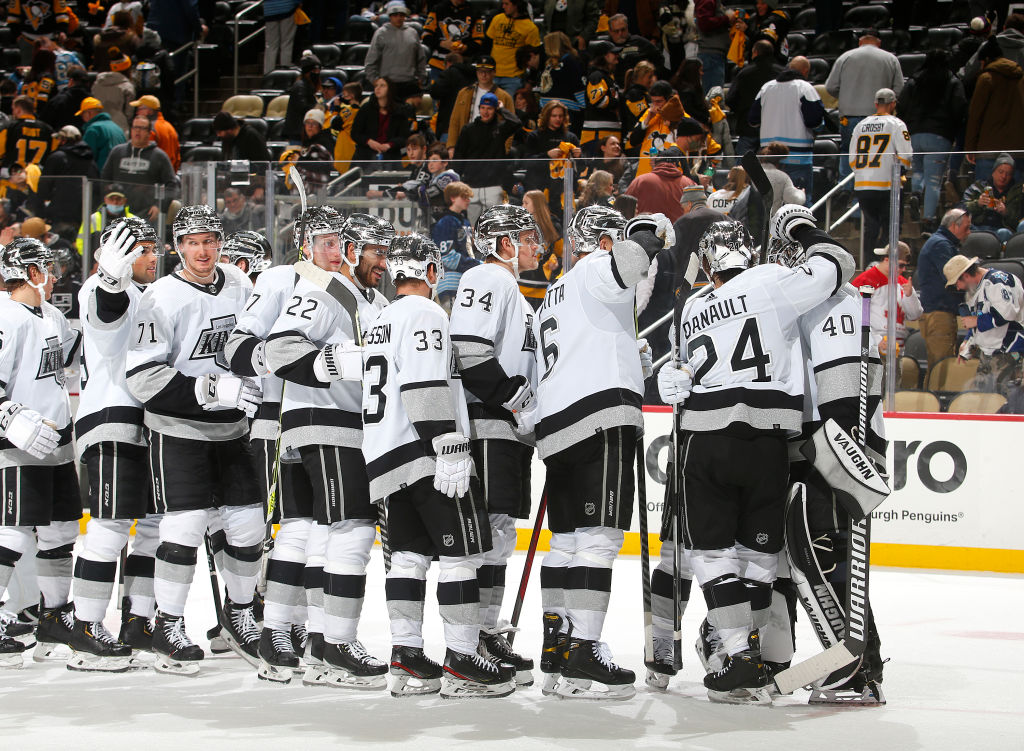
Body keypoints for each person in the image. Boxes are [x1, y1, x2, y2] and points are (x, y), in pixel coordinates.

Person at [657, 205, 855, 704]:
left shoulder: (694, 305)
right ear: (748, 253)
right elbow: (838, 263)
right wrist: (802, 227)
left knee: (713, 552)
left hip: (706, 436)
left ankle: (735, 655)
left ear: (707, 264)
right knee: (761, 554)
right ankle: (754, 655)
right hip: (769, 440)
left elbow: (680, 374)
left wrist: (673, 381)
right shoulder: (771, 279)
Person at [361, 233, 515, 699]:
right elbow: (424, 384)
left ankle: (406, 658)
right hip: (426, 451)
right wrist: (447, 444)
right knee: (461, 556)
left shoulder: (380, 318)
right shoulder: (427, 312)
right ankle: (463, 659)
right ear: (431, 272)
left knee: (407, 558)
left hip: (385, 454)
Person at [124, 205, 266, 675]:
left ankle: (240, 615)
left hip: (233, 429)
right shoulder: (159, 297)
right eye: (191, 242)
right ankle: (168, 623)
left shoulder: (242, 285)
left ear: (220, 242)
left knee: (248, 529)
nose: (202, 251)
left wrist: (255, 374)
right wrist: (207, 389)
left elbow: (248, 346)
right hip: (178, 430)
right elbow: (143, 377)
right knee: (182, 530)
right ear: (177, 247)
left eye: (209, 240)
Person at [263, 212, 394, 687]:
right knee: (352, 531)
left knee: (315, 534)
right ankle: (334, 642)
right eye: (376, 252)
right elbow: (278, 349)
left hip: (340, 424)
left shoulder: (374, 299)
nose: (384, 261)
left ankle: (305, 638)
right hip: (325, 422)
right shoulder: (323, 291)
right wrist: (332, 362)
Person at [532, 204, 656, 700]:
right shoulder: (592, 268)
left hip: (557, 426)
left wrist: (629, 350)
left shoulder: (552, 296)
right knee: (599, 539)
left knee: (564, 541)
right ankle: (585, 649)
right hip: (601, 415)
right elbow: (629, 263)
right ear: (603, 241)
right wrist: (649, 233)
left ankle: (557, 649)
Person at [449, 203, 542, 686]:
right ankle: (469, 642)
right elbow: (468, 350)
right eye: (524, 237)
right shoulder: (488, 278)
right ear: (503, 244)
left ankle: (485, 632)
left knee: (498, 537)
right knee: (481, 535)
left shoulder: (517, 293)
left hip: (507, 427)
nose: (533, 244)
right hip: (487, 421)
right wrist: (514, 399)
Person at [69, 217, 164, 670]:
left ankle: (137, 621)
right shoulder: (100, 288)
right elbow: (106, 312)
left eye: (150, 248)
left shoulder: (147, 294)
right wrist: (110, 275)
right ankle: (84, 625)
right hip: (112, 418)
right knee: (108, 528)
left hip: (148, 421)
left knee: (150, 531)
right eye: (138, 249)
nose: (149, 256)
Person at [0, 238, 82, 668]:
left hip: (56, 440)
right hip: (17, 445)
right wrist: (13, 419)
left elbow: (69, 357)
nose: (53, 274)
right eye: (46, 268)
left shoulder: (50, 314)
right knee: (13, 532)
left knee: (61, 531)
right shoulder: (4, 316)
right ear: (31, 273)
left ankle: (53, 617)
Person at [825, 29, 905, 185]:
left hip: (850, 116)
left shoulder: (845, 57)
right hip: (879, 116)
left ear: (860, 41)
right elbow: (899, 89)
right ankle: (869, 186)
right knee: (876, 155)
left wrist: (846, 96)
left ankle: (846, 187)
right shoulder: (891, 58)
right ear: (879, 42)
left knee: (849, 151)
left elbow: (830, 87)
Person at [901, 50, 967, 231]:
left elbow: (902, 105)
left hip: (914, 135)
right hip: (939, 135)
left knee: (918, 172)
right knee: (933, 180)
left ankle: (915, 193)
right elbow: (959, 108)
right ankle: (928, 220)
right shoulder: (952, 81)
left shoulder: (914, 81)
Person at [848, 88, 913, 267]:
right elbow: (906, 155)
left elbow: (852, 158)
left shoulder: (860, 125)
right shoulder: (897, 124)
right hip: (887, 184)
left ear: (876, 104)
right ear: (892, 104)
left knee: (871, 228)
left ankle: (869, 264)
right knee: (890, 228)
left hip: (863, 185)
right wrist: (902, 171)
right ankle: (884, 264)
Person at [749, 56, 825, 200]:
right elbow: (815, 121)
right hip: (798, 157)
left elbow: (752, 120)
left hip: (769, 156)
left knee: (770, 203)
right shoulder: (805, 88)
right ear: (805, 71)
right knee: (799, 200)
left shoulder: (766, 88)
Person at [945, 254, 1024, 391]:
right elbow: (976, 322)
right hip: (988, 353)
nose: (957, 288)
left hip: (1008, 351)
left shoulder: (998, 281)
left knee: (1005, 400)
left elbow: (1006, 314)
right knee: (983, 399)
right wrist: (968, 342)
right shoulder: (972, 290)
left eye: (956, 283)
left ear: (965, 275)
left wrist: (976, 321)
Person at [452, 92, 520, 221]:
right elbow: (459, 154)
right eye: (483, 108)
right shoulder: (468, 129)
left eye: (490, 108)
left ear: (495, 110)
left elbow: (516, 123)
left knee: (494, 225)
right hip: (472, 186)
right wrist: (459, 181)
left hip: (493, 186)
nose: (485, 111)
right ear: (479, 109)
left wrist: (502, 109)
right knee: (474, 227)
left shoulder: (500, 129)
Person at [917, 208, 972, 368]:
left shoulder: (941, 243)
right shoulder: (941, 245)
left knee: (938, 366)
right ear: (954, 226)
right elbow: (953, 278)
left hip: (939, 312)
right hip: (939, 314)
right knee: (941, 366)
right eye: (966, 228)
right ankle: (935, 393)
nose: (969, 232)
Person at [964, 39, 1024, 182]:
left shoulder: (986, 78)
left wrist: (970, 147)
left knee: (985, 196)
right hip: (1018, 148)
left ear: (986, 59)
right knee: (1015, 199)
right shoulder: (1020, 78)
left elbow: (975, 115)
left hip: (989, 149)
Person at [101, 115, 179, 223]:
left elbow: (171, 185)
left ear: (149, 132)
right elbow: (104, 180)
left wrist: (159, 206)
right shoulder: (117, 152)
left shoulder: (159, 156)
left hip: (146, 215)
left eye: (142, 128)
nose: (138, 131)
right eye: (135, 127)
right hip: (118, 213)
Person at [851, 243, 923, 353]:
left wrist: (910, 295)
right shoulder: (864, 281)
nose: (903, 269)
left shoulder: (904, 283)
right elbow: (854, 315)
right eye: (900, 265)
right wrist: (875, 339)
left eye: (905, 266)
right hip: (871, 346)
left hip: (899, 344)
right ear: (887, 260)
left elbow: (915, 315)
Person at [33, 125, 99, 239]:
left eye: (59, 139)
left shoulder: (57, 157)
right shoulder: (90, 160)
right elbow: (96, 188)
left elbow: (44, 186)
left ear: (63, 140)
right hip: (82, 215)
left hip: (58, 214)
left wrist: (40, 212)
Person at [445, 56, 515, 153]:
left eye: (487, 71)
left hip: (491, 147)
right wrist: (451, 146)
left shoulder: (505, 97)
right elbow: (454, 121)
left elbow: (510, 127)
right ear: (476, 72)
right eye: (480, 71)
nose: (483, 75)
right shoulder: (464, 93)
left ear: (494, 73)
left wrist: (504, 150)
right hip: (466, 143)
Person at [524, 100, 580, 214]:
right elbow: (527, 162)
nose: (558, 119)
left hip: (563, 190)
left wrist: (578, 157)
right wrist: (547, 155)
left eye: (560, 116)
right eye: (554, 116)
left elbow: (581, 167)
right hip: (540, 188)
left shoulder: (571, 137)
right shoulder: (534, 136)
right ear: (546, 116)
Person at [365, 2, 427, 102]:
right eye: (395, 15)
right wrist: (375, 81)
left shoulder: (413, 33)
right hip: (388, 83)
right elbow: (371, 59)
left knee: (408, 115)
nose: (398, 18)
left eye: (401, 15)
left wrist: (421, 78)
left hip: (409, 82)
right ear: (390, 17)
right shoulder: (381, 33)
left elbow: (420, 58)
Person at [433, 181, 479, 311]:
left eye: (468, 197)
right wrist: (478, 264)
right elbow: (447, 257)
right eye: (464, 197)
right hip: (449, 283)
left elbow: (468, 249)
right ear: (452, 198)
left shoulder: (463, 221)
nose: (468, 200)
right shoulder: (445, 221)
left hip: (465, 279)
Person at [351, 77, 413, 167]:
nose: (378, 88)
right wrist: (369, 141)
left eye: (382, 86)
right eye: (376, 86)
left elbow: (404, 137)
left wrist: (389, 145)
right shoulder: (366, 109)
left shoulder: (399, 111)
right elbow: (355, 133)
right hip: (365, 157)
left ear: (390, 89)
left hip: (390, 157)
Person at [486, 0, 542, 96]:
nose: (503, 6)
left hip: (514, 77)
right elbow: (486, 45)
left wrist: (530, 82)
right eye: (502, 3)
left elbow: (535, 58)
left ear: (516, 5)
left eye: (506, 4)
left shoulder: (530, 28)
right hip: (492, 74)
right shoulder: (497, 19)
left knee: (507, 109)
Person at [518, 188, 563, 308]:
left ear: (537, 205)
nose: (522, 206)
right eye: (523, 202)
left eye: (526, 203)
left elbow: (562, 255)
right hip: (519, 287)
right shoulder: (518, 226)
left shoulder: (554, 226)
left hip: (542, 289)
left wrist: (556, 262)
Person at [422, 0, 486, 83]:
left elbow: (479, 40)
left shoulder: (474, 11)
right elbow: (426, 35)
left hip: (462, 64)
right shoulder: (438, 9)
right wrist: (442, 44)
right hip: (438, 64)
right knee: (436, 93)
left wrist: (465, 48)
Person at [961, 152, 1018, 243]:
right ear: (993, 172)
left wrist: (1005, 212)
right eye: (1001, 172)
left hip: (1002, 229)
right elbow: (960, 210)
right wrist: (978, 204)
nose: (1003, 176)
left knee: (1004, 233)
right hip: (978, 228)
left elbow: (1019, 219)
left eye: (1008, 174)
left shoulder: (1017, 192)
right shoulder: (977, 187)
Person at [625, 146, 694, 221]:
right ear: (675, 164)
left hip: (647, 230)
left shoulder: (640, 181)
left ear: (655, 163)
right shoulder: (689, 183)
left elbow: (624, 206)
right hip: (681, 231)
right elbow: (700, 211)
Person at [581, 41, 622, 148]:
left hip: (608, 132)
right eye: (614, 53)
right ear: (605, 56)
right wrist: (616, 102)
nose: (617, 56)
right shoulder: (597, 76)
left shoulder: (609, 77)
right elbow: (597, 101)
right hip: (597, 134)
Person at [77, 185, 136, 254]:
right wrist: (92, 261)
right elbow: (81, 243)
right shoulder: (93, 218)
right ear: (105, 200)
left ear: (125, 200)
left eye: (118, 199)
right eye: (111, 199)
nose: (115, 202)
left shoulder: (134, 220)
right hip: (97, 262)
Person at [0, 96, 55, 168]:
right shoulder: (48, 130)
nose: (13, 112)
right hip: (35, 176)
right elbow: (54, 154)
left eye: (13, 109)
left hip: (12, 174)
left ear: (18, 110)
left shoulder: (9, 127)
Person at [129, 94, 180, 171]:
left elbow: (145, 156)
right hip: (170, 174)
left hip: (155, 176)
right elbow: (178, 157)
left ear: (149, 111)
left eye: (139, 109)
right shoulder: (170, 127)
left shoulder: (150, 129)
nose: (137, 113)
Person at [91, 47, 136, 134]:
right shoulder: (127, 87)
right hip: (120, 130)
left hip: (99, 128)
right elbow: (129, 114)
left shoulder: (96, 84)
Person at [79, 97, 126, 171]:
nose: (82, 118)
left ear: (88, 113)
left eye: (82, 115)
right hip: (118, 175)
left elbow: (86, 158)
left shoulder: (93, 129)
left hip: (101, 177)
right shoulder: (117, 128)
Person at [284, 54, 322, 142]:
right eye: (315, 70)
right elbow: (303, 107)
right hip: (298, 134)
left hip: (303, 133)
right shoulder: (300, 86)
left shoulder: (306, 85)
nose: (317, 73)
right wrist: (319, 108)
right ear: (308, 71)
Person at [262, 0, 301, 74]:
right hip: (287, 8)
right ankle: (285, 70)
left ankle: (268, 73)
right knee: (286, 43)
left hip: (269, 10)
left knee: (270, 45)